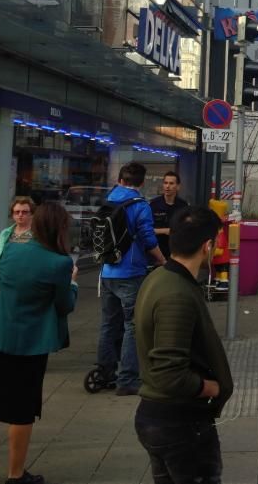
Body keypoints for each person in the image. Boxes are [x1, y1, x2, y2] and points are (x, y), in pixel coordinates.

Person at [0, 203, 78, 484]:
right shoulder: (59, 263)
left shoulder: (12, 249)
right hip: (31, 340)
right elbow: (64, 306)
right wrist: (72, 283)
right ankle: (15, 474)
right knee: (23, 408)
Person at [134, 207, 233, 483]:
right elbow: (169, 372)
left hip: (162, 418)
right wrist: (211, 387)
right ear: (207, 246)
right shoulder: (175, 294)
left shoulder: (160, 278)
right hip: (179, 422)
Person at [97, 162, 164, 397]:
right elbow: (147, 238)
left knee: (108, 325)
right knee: (131, 326)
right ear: (142, 182)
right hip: (130, 272)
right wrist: (162, 260)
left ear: (120, 179)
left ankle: (104, 373)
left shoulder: (109, 199)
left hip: (106, 271)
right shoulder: (139, 205)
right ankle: (127, 379)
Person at [0, 197, 36, 296]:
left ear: (31, 213)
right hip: (5, 282)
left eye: (24, 212)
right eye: (17, 212)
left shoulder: (37, 234)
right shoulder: (6, 233)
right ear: (12, 214)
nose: (20, 215)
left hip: (28, 282)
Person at [149, 172, 188, 259]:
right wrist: (164, 231)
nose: (167, 186)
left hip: (177, 251)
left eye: (171, 183)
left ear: (178, 187)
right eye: (165, 183)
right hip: (157, 252)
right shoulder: (154, 204)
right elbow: (147, 230)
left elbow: (187, 228)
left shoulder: (183, 205)